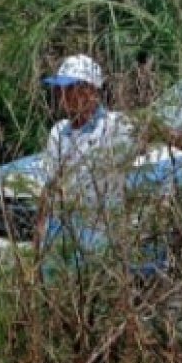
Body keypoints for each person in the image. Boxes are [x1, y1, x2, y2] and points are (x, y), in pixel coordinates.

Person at [36, 54, 137, 246]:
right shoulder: (58, 132)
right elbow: (49, 188)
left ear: (91, 91)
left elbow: (155, 130)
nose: (64, 95)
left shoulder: (116, 125)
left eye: (71, 88)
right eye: (60, 89)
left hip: (102, 238)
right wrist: (39, 240)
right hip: (61, 238)